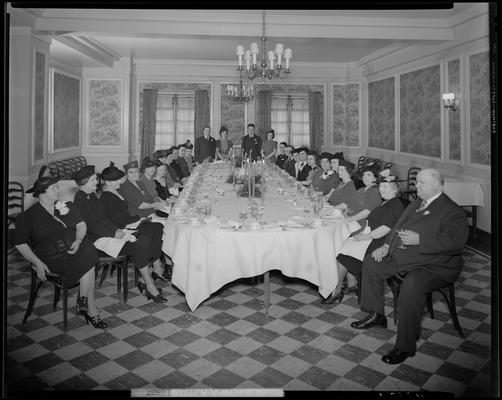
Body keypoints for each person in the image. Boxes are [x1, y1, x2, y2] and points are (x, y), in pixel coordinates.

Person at [351, 169, 469, 365]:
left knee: (411, 285)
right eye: (417, 183)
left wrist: (420, 239)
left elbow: (456, 242)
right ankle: (376, 314)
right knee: (372, 262)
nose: (417, 187)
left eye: (423, 183)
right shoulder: (417, 202)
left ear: (438, 185)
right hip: (406, 257)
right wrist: (387, 246)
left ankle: (404, 346)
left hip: (435, 265)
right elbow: (397, 226)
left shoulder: (452, 211)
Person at [14, 166, 106, 329]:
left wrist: (77, 240)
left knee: (87, 248)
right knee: (89, 259)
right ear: (42, 191)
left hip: (74, 249)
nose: (58, 189)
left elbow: (81, 225)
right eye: (54, 187)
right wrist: (37, 262)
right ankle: (88, 307)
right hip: (52, 257)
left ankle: (84, 301)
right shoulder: (28, 216)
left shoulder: (65, 206)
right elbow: (20, 243)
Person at [74, 164, 168, 304]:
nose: (96, 182)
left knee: (153, 232)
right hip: (98, 240)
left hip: (111, 232)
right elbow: (91, 224)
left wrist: (117, 230)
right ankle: (149, 285)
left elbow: (104, 219)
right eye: (93, 180)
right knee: (142, 243)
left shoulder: (90, 196)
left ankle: (146, 279)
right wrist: (114, 232)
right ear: (83, 183)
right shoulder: (81, 199)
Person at [322, 174, 404, 304]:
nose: (382, 189)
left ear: (395, 190)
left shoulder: (395, 205)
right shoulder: (386, 202)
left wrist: (365, 236)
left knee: (342, 252)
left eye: (386, 187)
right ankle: (349, 282)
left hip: (378, 242)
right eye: (381, 186)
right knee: (340, 246)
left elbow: (386, 228)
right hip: (371, 235)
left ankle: (336, 291)